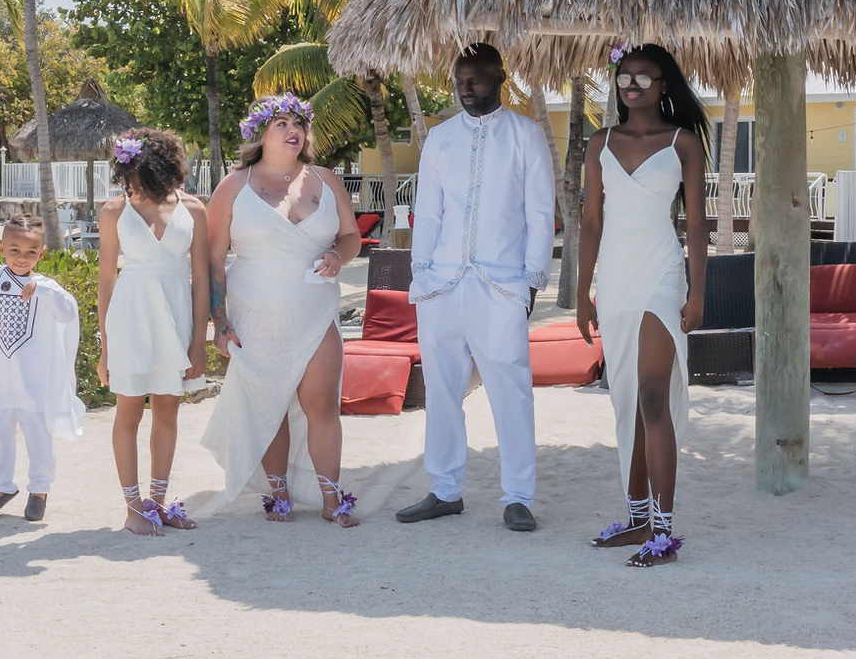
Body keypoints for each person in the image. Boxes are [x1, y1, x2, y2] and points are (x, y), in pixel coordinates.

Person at [396, 43, 555, 532]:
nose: (465, 88)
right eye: (459, 80)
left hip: (501, 284)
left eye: (475, 79)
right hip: (441, 285)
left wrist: (531, 281)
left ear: (500, 77)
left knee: (511, 390)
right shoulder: (441, 138)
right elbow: (428, 211)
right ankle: (445, 490)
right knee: (441, 389)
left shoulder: (527, 135)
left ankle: (518, 497)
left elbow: (540, 213)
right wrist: (422, 274)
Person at [201, 94, 363, 526]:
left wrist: (338, 255)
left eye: (299, 123)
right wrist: (219, 321)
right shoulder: (233, 187)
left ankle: (331, 498)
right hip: (255, 313)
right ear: (260, 134)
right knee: (268, 404)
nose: (294, 130)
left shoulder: (326, 180)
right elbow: (213, 258)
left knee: (322, 404)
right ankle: (279, 493)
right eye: (282, 124)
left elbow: (351, 238)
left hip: (315, 309)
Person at [576, 44, 708, 567]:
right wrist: (583, 293)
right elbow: (591, 222)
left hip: (660, 275)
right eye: (625, 77)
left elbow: (697, 226)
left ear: (663, 85)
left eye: (644, 78)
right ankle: (636, 521)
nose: (632, 85)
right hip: (615, 279)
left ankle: (664, 532)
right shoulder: (599, 143)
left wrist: (698, 291)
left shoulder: (683, 143)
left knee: (653, 397)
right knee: (627, 398)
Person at [97, 128, 209, 537]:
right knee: (127, 412)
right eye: (128, 178)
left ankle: (158, 504)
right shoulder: (113, 211)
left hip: (176, 319)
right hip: (130, 320)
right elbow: (106, 282)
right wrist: (105, 349)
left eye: (142, 178)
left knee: (167, 410)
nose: (134, 187)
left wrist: (199, 342)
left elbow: (201, 279)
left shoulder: (193, 209)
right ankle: (133, 509)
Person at [0, 215, 83, 523]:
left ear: (41, 253)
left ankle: (39, 489)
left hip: (33, 378)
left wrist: (42, 291)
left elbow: (68, 313)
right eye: (14, 250)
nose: (22, 258)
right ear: (2, 248)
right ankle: (0, 487)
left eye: (31, 252)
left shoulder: (47, 287)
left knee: (37, 433)